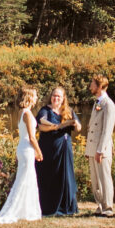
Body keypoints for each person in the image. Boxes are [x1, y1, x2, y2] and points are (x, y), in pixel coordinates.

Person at [0, 91, 44, 223]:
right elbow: (31, 137)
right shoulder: (27, 114)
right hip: (27, 148)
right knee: (26, 178)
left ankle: (25, 208)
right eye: (34, 96)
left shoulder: (21, 113)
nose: (36, 98)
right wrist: (38, 151)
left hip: (22, 147)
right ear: (29, 98)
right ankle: (22, 209)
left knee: (25, 178)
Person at [35, 85, 81, 216]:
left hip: (64, 149)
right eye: (54, 95)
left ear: (63, 98)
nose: (56, 98)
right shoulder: (45, 110)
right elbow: (41, 126)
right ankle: (48, 206)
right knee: (49, 175)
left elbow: (78, 128)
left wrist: (76, 124)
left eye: (59, 96)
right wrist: (56, 126)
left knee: (65, 175)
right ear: (51, 97)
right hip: (48, 149)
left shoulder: (68, 110)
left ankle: (66, 205)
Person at [86, 76, 115, 213]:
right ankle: (99, 204)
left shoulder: (108, 105)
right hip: (93, 148)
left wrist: (100, 150)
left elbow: (107, 131)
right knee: (95, 179)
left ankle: (108, 206)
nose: (90, 87)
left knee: (104, 178)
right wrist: (89, 150)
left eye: (92, 84)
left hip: (101, 149)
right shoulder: (97, 103)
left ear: (99, 87)